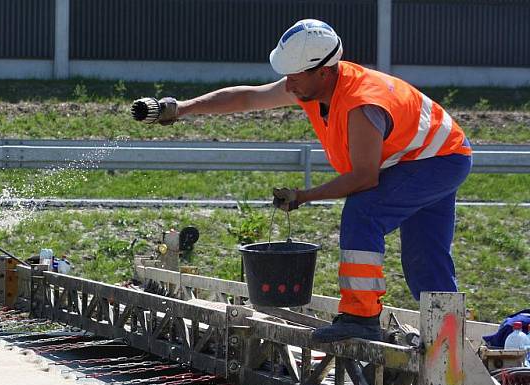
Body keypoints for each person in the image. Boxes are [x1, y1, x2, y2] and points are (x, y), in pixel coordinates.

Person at [131, 19, 472, 343]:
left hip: (437, 160)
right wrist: (179, 109)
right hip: (433, 154)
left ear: (324, 72)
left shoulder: (362, 105)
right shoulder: (313, 84)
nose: (288, 84)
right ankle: (449, 339)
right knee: (425, 258)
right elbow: (249, 97)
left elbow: (365, 178)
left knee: (364, 212)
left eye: (294, 76)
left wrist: (304, 196)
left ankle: (361, 318)